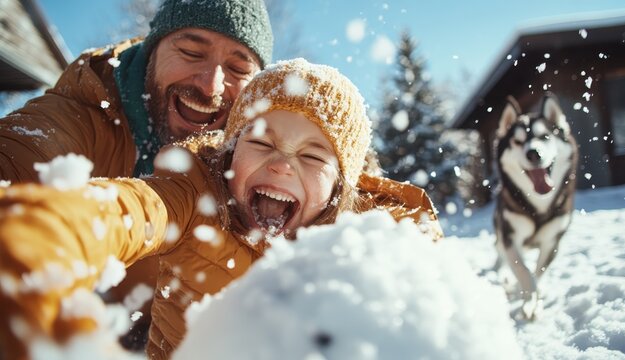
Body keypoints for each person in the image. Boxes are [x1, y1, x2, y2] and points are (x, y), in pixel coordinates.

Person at [0, 59, 442, 359]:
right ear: (230, 154)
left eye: (312, 157)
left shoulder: (377, 243)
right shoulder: (195, 196)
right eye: (262, 142)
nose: (282, 164)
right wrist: (42, 232)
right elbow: (128, 210)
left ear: (339, 185)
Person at [0, 0, 273, 347]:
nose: (211, 86)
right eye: (191, 52)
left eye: (237, 68)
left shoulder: (249, 160)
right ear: (151, 50)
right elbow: (17, 154)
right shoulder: (79, 114)